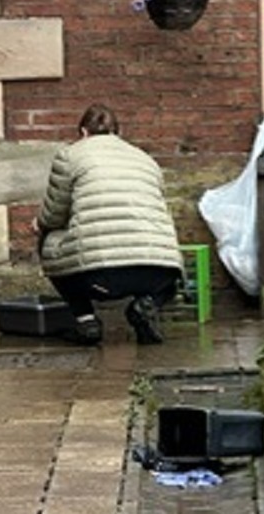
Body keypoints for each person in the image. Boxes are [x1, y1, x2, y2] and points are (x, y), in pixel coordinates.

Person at [36, 103, 183, 345]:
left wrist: (38, 223)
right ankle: (145, 305)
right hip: (157, 272)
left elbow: (53, 216)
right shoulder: (146, 159)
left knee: (48, 243)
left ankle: (86, 321)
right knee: (169, 272)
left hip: (99, 276)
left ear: (83, 132)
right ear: (118, 132)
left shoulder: (70, 155)